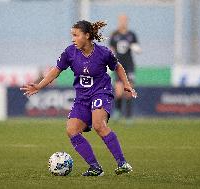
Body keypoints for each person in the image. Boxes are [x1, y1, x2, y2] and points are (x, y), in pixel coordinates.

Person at [20, 20, 137, 176]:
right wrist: (39, 85)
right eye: (72, 35)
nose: (73, 38)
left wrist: (126, 84)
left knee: (98, 125)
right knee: (72, 130)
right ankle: (95, 167)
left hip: (101, 92)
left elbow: (118, 67)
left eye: (76, 35)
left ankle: (123, 163)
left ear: (87, 36)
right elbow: (56, 70)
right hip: (82, 97)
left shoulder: (103, 52)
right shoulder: (70, 52)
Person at [109, 14, 142, 119]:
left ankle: (128, 116)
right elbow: (111, 51)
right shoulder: (114, 35)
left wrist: (136, 48)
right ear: (118, 21)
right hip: (118, 66)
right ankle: (118, 112)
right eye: (121, 20)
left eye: (124, 20)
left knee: (128, 91)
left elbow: (138, 49)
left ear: (127, 21)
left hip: (129, 66)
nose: (123, 22)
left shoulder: (132, 35)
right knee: (118, 92)